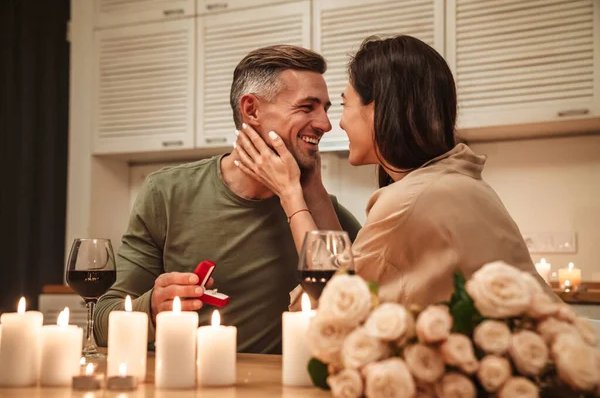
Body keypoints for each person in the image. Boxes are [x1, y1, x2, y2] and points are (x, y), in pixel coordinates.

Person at [233, 35, 556, 307]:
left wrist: (291, 193)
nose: (335, 123)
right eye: (308, 107)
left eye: (344, 105)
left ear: (379, 109)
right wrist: (313, 187)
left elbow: (334, 298)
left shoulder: (414, 200)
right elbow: (347, 270)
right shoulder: (449, 182)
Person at [94, 45, 362, 354]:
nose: (326, 124)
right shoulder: (165, 193)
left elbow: (353, 311)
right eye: (307, 107)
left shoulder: (323, 212)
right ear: (251, 110)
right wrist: (152, 306)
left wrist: (308, 190)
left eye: (326, 108)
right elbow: (103, 320)